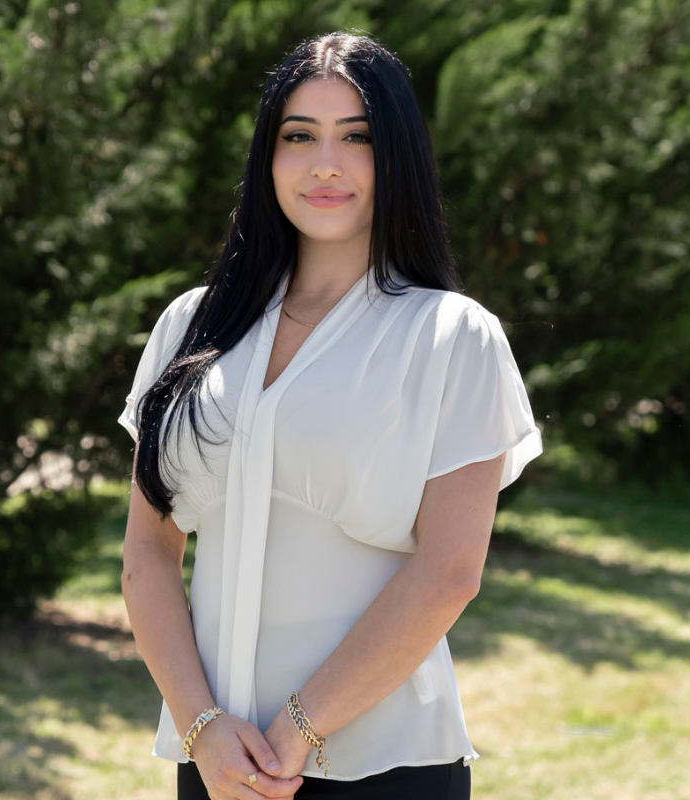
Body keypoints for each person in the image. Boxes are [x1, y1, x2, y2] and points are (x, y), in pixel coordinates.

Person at [117, 30, 543, 800]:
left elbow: (450, 572)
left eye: (357, 137)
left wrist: (293, 736)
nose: (325, 163)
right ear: (267, 155)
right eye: (299, 136)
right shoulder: (190, 326)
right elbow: (148, 552)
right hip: (214, 764)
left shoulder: (452, 336)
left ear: (397, 157)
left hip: (382, 765)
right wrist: (203, 728)